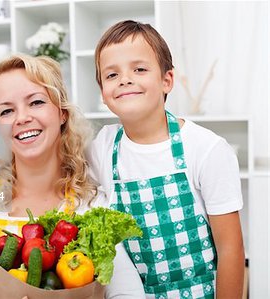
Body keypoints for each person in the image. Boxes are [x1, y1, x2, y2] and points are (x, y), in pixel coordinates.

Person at [0, 54, 145, 298]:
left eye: (36, 102)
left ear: (62, 113)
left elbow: (127, 293)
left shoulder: (90, 205)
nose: (21, 118)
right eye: (7, 110)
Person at [89, 20, 244, 298]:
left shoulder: (205, 148)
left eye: (139, 69)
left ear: (166, 80)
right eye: (111, 75)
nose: (125, 79)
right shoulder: (102, 147)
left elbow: (231, 250)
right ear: (103, 93)